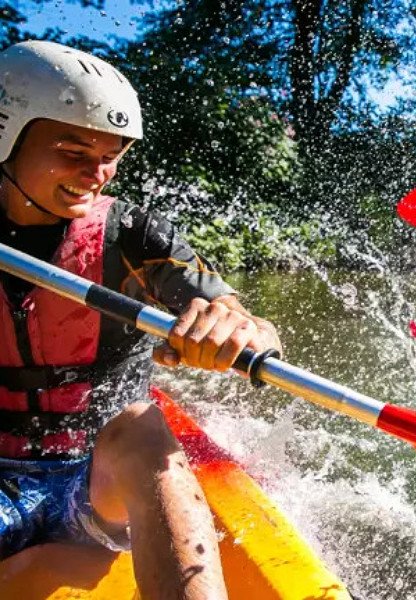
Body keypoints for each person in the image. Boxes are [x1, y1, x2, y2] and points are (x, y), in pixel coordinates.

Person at [0, 41, 282, 599]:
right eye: (74, 149)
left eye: (112, 153)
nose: (97, 173)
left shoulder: (135, 237)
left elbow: (244, 319)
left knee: (142, 429)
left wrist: (237, 331)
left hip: (98, 479)